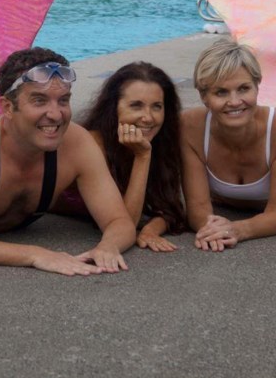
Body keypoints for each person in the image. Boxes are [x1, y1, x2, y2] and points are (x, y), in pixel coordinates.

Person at [0, 47, 137, 276]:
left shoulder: (77, 144)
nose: (56, 114)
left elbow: (119, 221)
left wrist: (108, 247)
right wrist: (37, 254)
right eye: (39, 101)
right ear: (8, 107)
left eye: (63, 101)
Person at [180, 39, 276, 251]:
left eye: (244, 88)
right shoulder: (189, 125)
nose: (235, 101)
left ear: (257, 86)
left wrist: (237, 230)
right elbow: (198, 208)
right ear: (203, 96)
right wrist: (212, 230)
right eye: (221, 92)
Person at [52, 62, 187, 252]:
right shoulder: (92, 144)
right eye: (136, 106)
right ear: (113, 108)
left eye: (157, 106)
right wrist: (142, 157)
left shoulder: (159, 141)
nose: (148, 117)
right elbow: (126, 225)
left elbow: (168, 208)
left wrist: (150, 230)